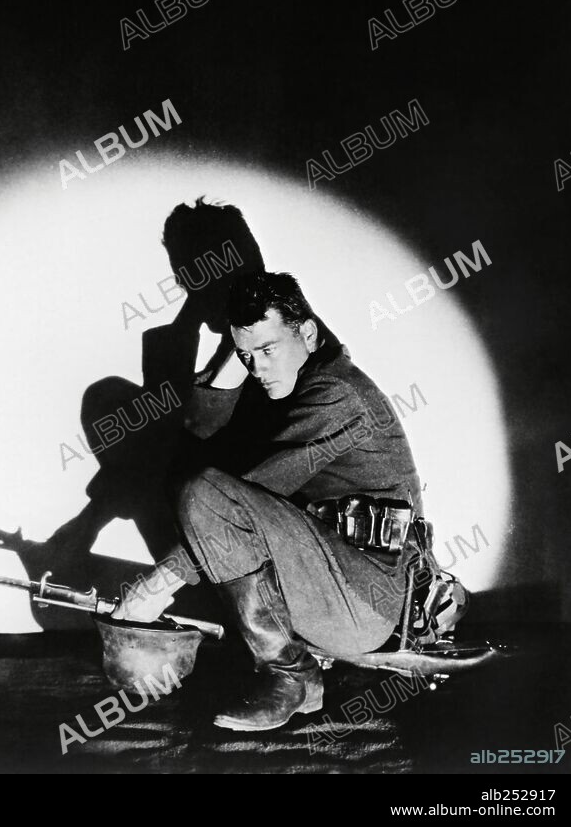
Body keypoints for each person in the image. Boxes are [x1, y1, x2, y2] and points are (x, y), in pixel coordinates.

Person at [114, 270, 425, 732]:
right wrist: (239, 355)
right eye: (247, 355)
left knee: (206, 493)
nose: (258, 368)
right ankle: (306, 685)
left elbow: (236, 495)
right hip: (328, 586)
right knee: (193, 480)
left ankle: (290, 674)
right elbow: (199, 435)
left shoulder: (336, 394)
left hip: (368, 602)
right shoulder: (295, 376)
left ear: (309, 334)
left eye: (268, 351)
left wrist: (156, 586)